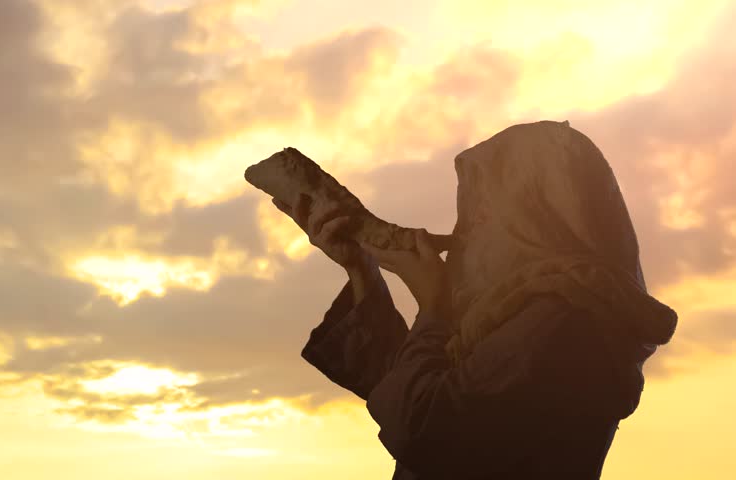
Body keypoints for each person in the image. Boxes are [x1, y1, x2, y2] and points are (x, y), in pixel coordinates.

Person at [272, 120, 678, 479]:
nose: (465, 234)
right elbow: (398, 384)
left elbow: (424, 428)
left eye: (482, 215)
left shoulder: (567, 319)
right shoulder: (506, 314)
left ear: (534, 215)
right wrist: (362, 269)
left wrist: (432, 308)